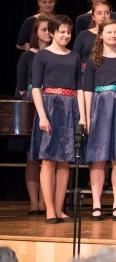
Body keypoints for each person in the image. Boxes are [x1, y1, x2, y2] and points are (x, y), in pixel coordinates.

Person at [30, 15, 85, 224]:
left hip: (69, 107)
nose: (65, 35)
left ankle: (60, 209)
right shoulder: (42, 55)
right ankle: (49, 209)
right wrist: (42, 115)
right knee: (48, 160)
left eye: (68, 32)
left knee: (65, 161)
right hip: (50, 107)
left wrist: (82, 117)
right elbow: (36, 87)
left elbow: (79, 88)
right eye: (61, 31)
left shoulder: (74, 56)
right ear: (52, 33)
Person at [84, 19, 116, 221]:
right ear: (101, 35)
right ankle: (96, 204)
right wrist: (86, 118)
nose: (113, 35)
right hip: (98, 109)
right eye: (109, 32)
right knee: (97, 159)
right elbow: (87, 90)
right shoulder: (92, 60)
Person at [11, 17, 52, 215]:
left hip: (52, 103)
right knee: (32, 158)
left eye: (49, 29)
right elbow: (20, 87)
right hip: (31, 104)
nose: (47, 33)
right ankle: (34, 203)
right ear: (36, 33)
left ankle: (46, 202)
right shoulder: (27, 56)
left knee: (48, 158)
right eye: (43, 29)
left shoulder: (54, 55)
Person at [73, 2, 112, 85]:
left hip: (109, 75)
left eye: (107, 13)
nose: (103, 16)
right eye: (99, 13)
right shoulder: (83, 35)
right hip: (85, 76)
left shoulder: (115, 35)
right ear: (93, 17)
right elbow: (75, 58)